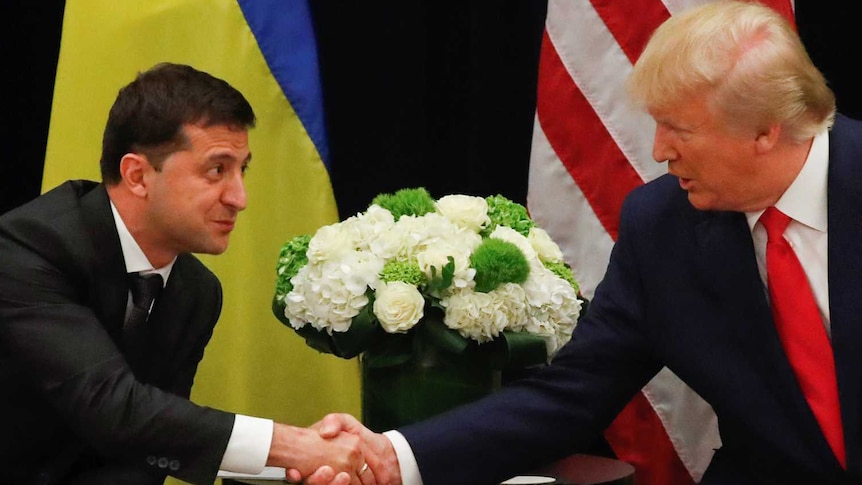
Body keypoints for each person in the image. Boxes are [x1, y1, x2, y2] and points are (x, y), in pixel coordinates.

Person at [306, 1, 862, 484]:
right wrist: (394, 455)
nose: (659, 152)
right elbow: (573, 392)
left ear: (765, 132)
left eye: (680, 130)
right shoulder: (661, 225)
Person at [0, 63, 372, 485]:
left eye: (242, 169)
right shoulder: (28, 247)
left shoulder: (197, 290)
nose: (239, 198)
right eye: (217, 169)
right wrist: (293, 447)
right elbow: (110, 405)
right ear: (137, 175)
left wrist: (294, 472)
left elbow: (153, 442)